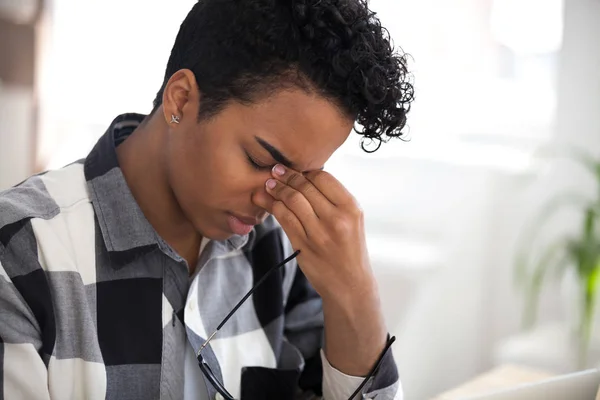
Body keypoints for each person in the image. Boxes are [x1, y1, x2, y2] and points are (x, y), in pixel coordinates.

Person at [0, 0, 413, 398]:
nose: (274, 199)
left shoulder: (283, 251)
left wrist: (356, 296)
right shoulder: (20, 256)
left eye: (302, 178)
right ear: (180, 99)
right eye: (259, 160)